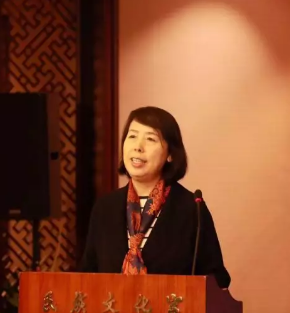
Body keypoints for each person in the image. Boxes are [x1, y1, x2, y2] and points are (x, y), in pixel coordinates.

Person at [77, 106, 231, 289]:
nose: (138, 147)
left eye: (150, 139)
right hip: (111, 307)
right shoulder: (105, 208)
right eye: (132, 136)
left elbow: (216, 279)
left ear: (170, 154)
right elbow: (87, 275)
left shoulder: (191, 209)